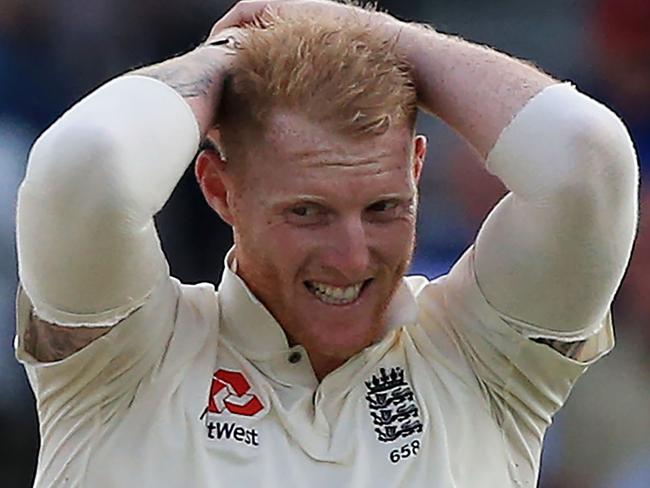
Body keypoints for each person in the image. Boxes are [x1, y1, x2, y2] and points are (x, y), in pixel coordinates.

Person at [14, 1, 638, 486]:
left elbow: (588, 161)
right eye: (307, 212)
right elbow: (89, 163)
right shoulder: (125, 358)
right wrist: (231, 51)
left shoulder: (482, 360)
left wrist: (381, 33)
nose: (351, 257)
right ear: (219, 188)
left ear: (417, 171)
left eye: (383, 208)